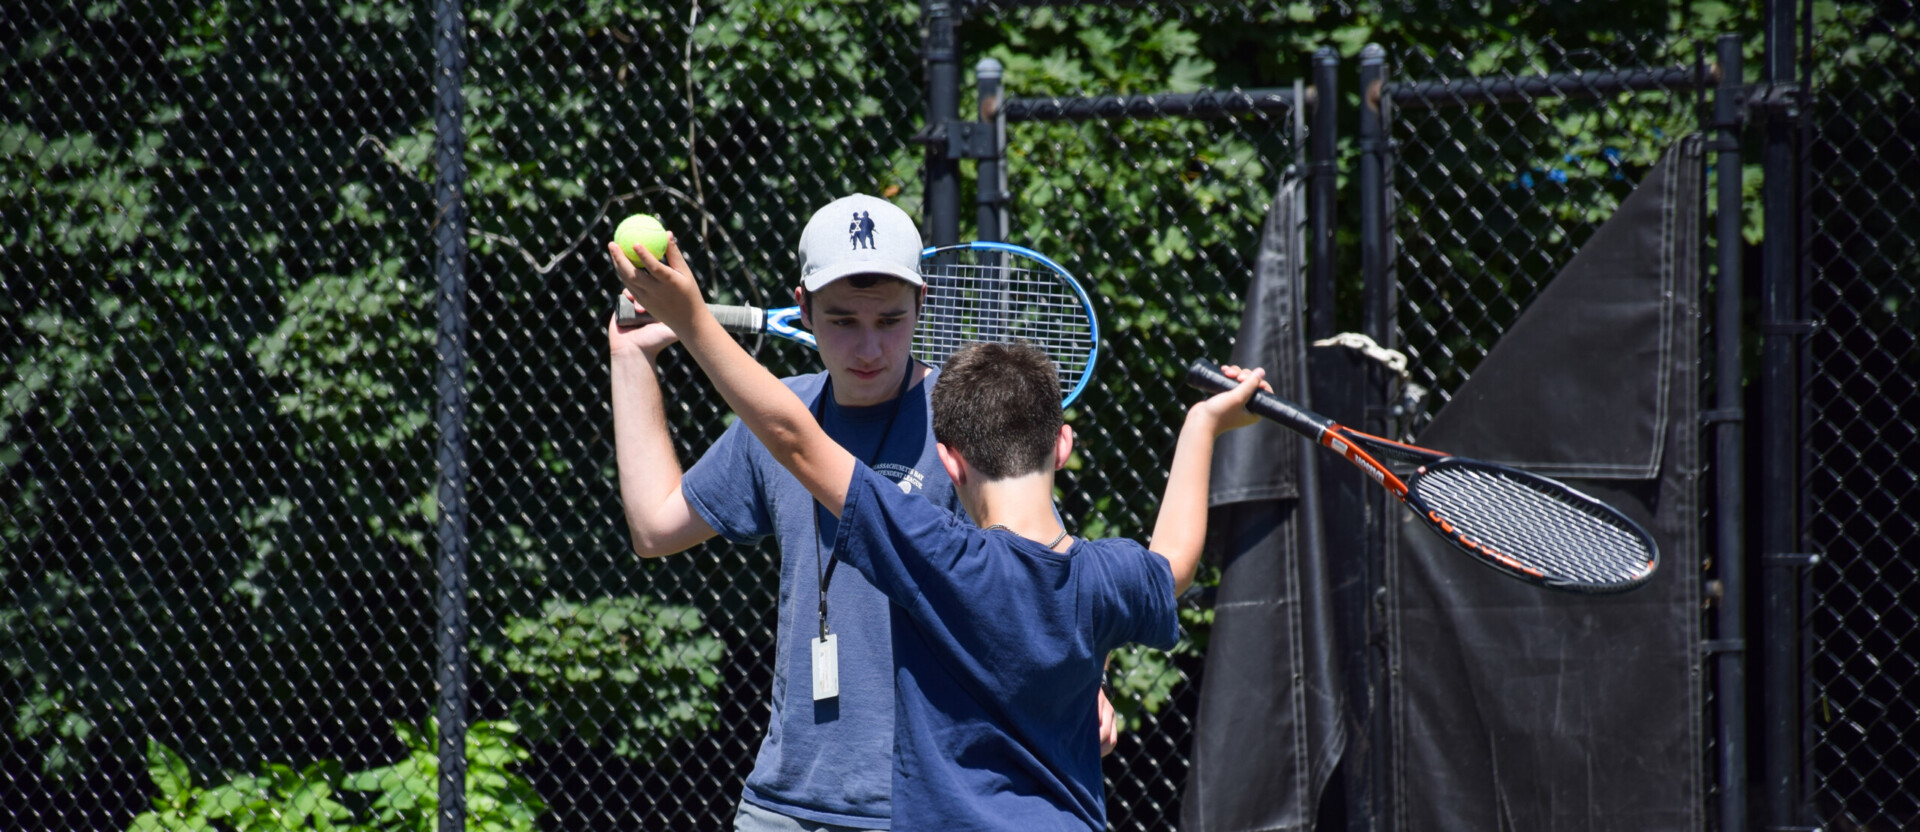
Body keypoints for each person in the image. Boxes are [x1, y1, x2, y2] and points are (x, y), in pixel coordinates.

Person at [618, 229, 1269, 830]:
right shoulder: (1102, 576)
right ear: (1063, 446)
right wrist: (1202, 426)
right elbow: (1172, 562)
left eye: (889, 319)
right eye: (844, 319)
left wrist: (693, 318)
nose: (868, 343)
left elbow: (794, 440)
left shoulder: (943, 558)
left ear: (948, 458)